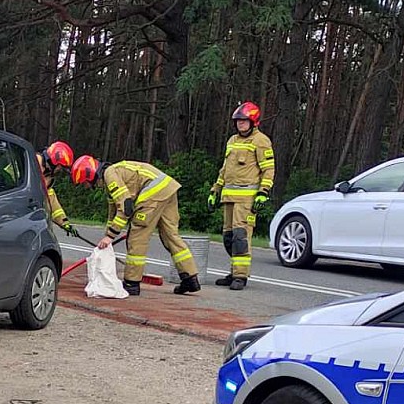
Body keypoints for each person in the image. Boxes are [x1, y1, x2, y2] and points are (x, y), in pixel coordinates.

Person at [70, 155, 200, 296]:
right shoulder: (112, 175)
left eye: (84, 183)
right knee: (171, 236)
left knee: (136, 238)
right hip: (168, 188)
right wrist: (107, 236)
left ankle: (131, 283)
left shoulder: (110, 175)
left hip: (152, 193)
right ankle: (190, 278)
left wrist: (110, 236)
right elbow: (114, 211)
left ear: (89, 175)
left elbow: (126, 206)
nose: (86, 186)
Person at [208, 101, 275, 290]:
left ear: (253, 122)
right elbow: (225, 169)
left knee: (240, 237)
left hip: (246, 199)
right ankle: (234, 271)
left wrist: (263, 192)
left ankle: (240, 276)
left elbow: (268, 169)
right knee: (228, 238)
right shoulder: (232, 140)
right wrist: (215, 190)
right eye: (238, 121)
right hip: (228, 198)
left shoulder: (261, 141)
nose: (240, 124)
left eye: (244, 121)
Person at [37, 140, 76, 236]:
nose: (59, 169)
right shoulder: (35, 162)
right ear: (54, 161)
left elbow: (51, 201)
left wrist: (64, 223)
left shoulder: (48, 175)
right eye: (60, 166)